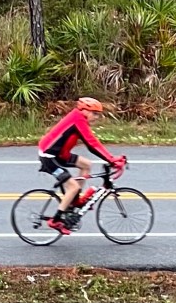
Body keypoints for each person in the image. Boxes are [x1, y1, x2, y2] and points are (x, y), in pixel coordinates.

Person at [38, 97, 126, 235]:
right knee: (72, 187)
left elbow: (92, 143)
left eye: (98, 114)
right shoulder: (78, 119)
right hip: (49, 156)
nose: (96, 117)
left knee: (86, 164)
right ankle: (55, 220)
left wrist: (111, 159)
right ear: (84, 110)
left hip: (60, 154)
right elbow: (92, 144)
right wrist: (111, 160)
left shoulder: (79, 117)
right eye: (94, 113)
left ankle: (75, 201)